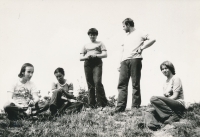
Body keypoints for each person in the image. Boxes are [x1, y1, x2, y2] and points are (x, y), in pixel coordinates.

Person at [114, 18, 156, 113]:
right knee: (122, 84)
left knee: (135, 84)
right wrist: (119, 63)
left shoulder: (140, 32)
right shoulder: (125, 36)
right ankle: (120, 108)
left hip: (135, 59)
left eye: (124, 26)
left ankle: (135, 107)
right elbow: (122, 50)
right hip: (124, 61)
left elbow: (153, 39)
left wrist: (142, 47)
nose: (123, 28)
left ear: (128, 25)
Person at [80, 28, 108, 108]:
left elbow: (105, 54)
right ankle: (92, 105)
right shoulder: (85, 45)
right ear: (88, 35)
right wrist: (87, 56)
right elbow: (80, 57)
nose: (92, 36)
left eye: (94, 35)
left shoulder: (100, 43)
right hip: (88, 63)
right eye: (91, 35)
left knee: (97, 82)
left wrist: (96, 55)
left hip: (97, 63)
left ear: (96, 35)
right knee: (90, 84)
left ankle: (102, 104)